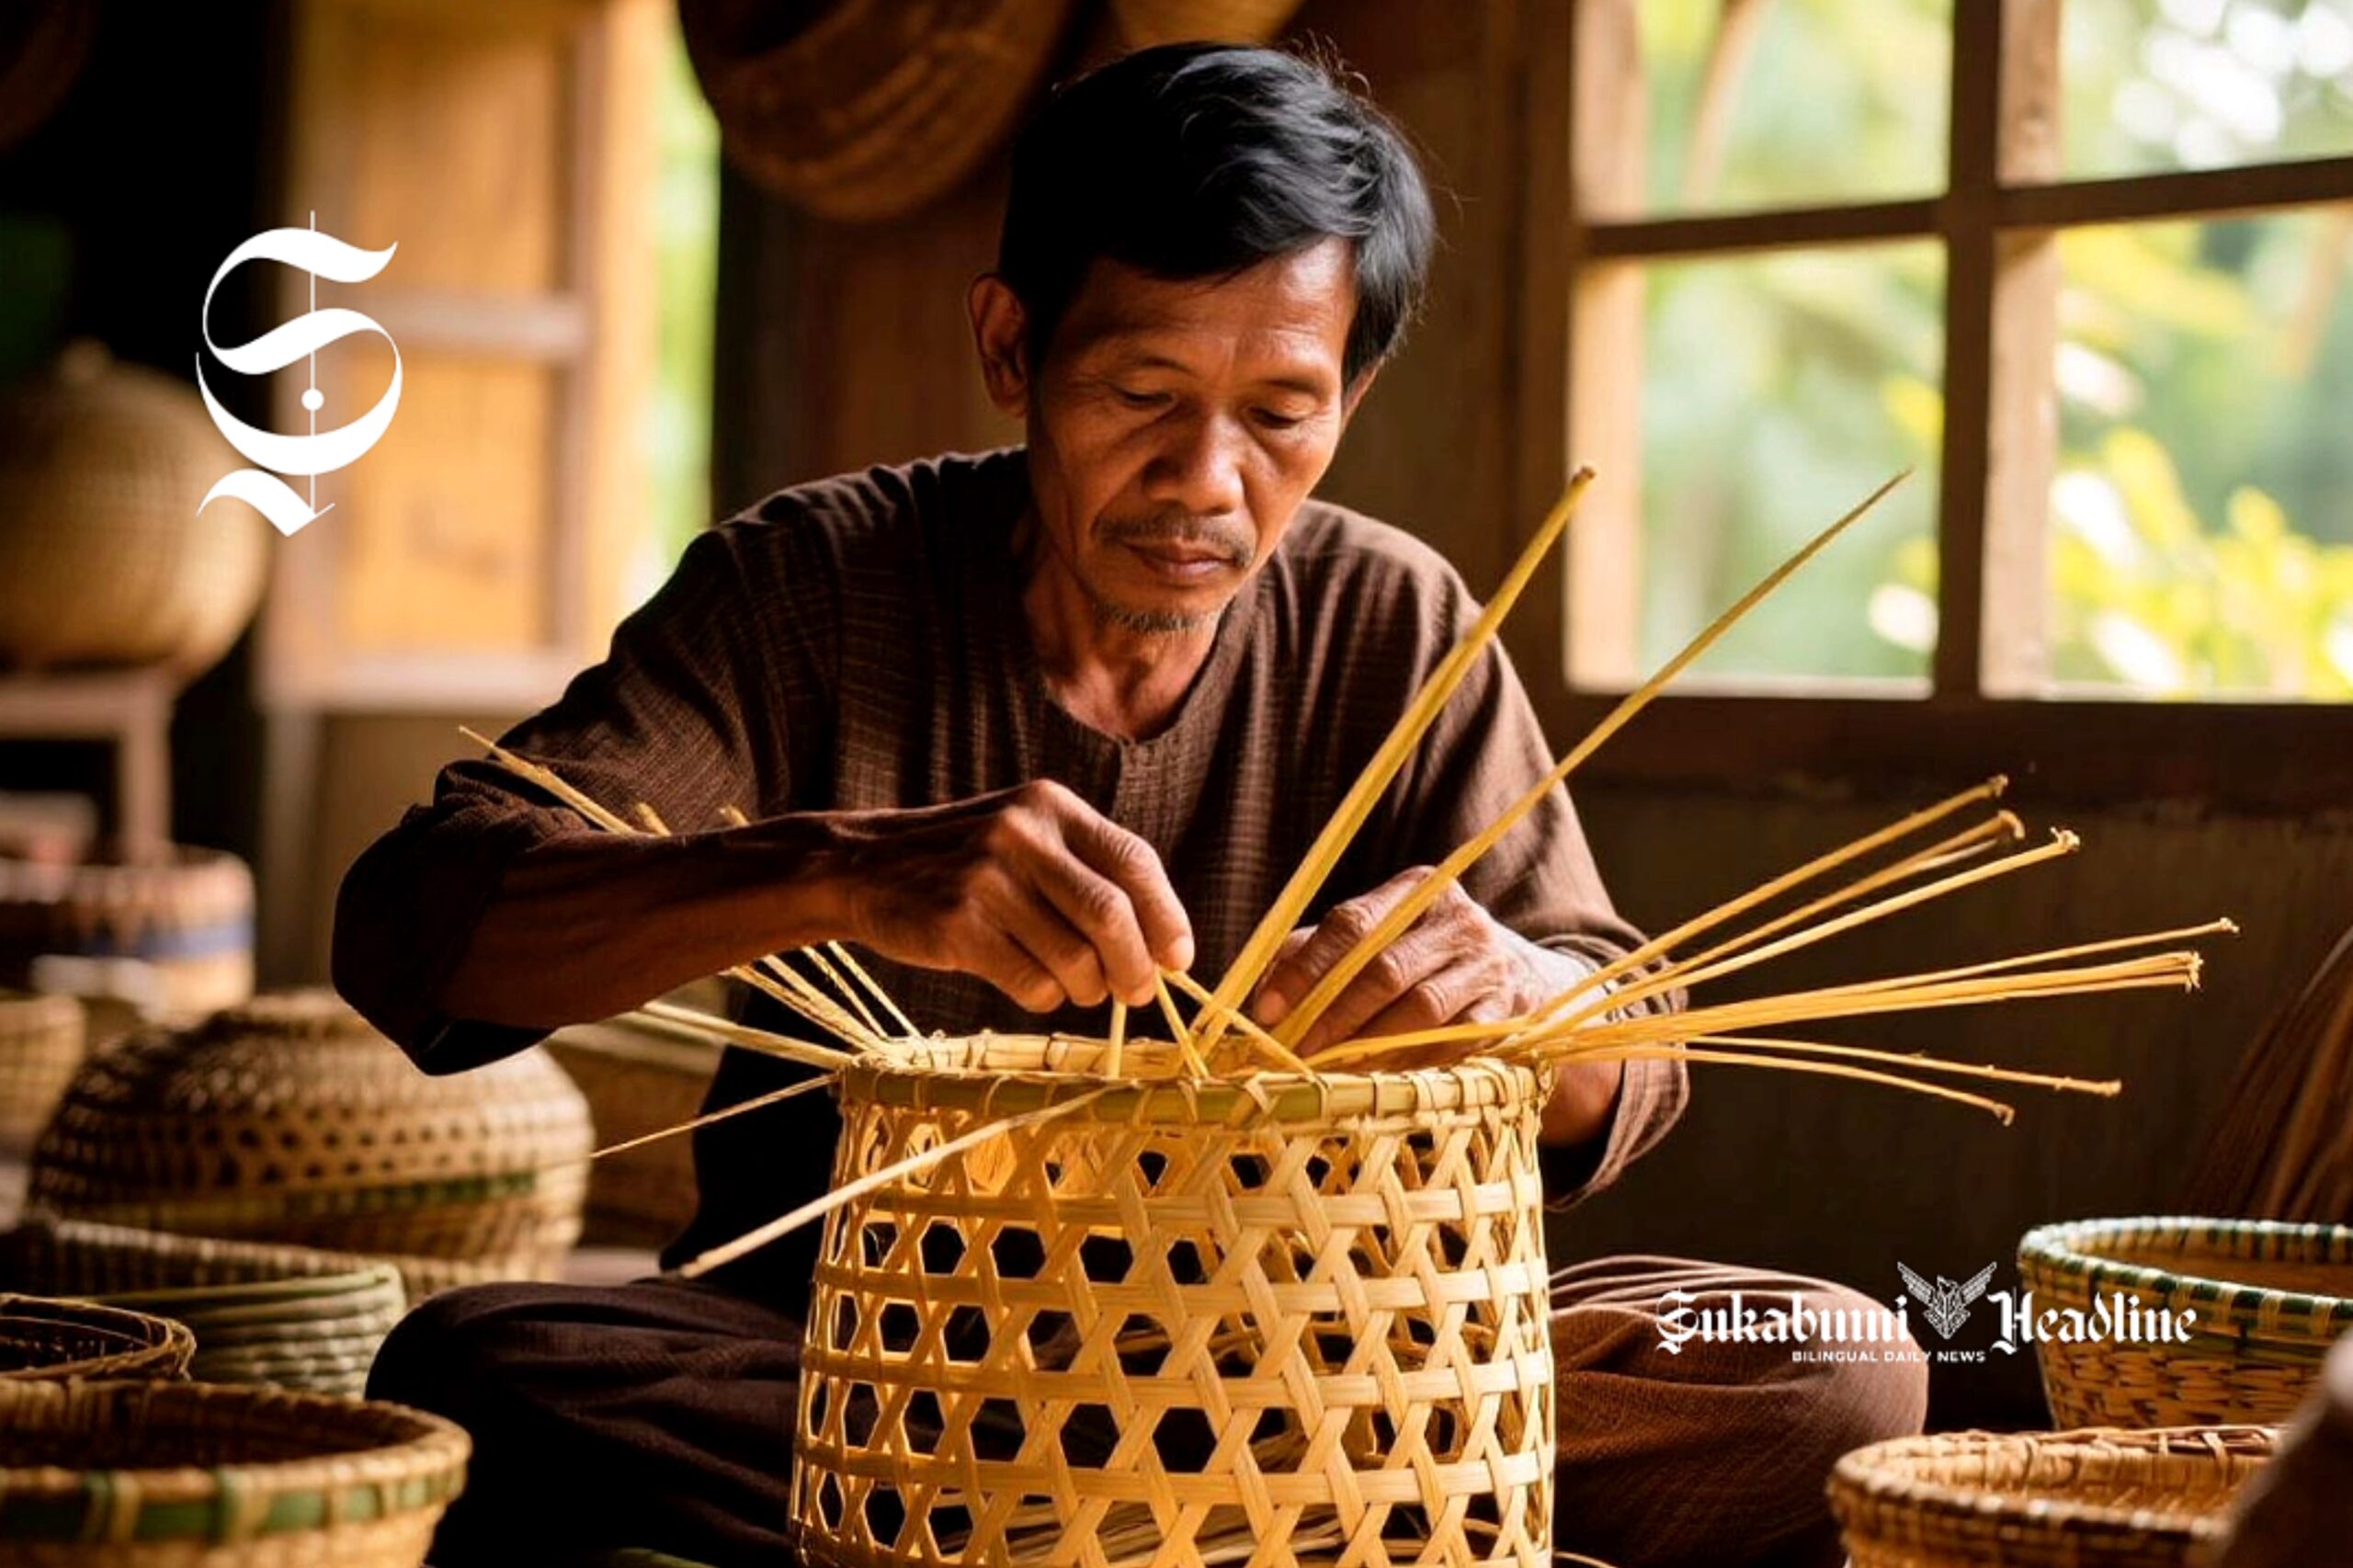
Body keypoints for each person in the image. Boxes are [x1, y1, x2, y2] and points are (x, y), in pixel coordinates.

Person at [336, 42, 1924, 1568]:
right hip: (881, 1367)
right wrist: (834, 869)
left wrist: (1523, 994)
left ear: (1352, 394)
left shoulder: (1396, 620)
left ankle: (1050, 1539)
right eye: (1142, 391)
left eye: (1282, 413)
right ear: (1013, 347)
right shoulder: (811, 587)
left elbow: (1630, 1037)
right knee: (474, 1367)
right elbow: (419, 926)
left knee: (1833, 1362)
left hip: (1324, 1365)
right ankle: (1288, 1545)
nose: (1205, 481)